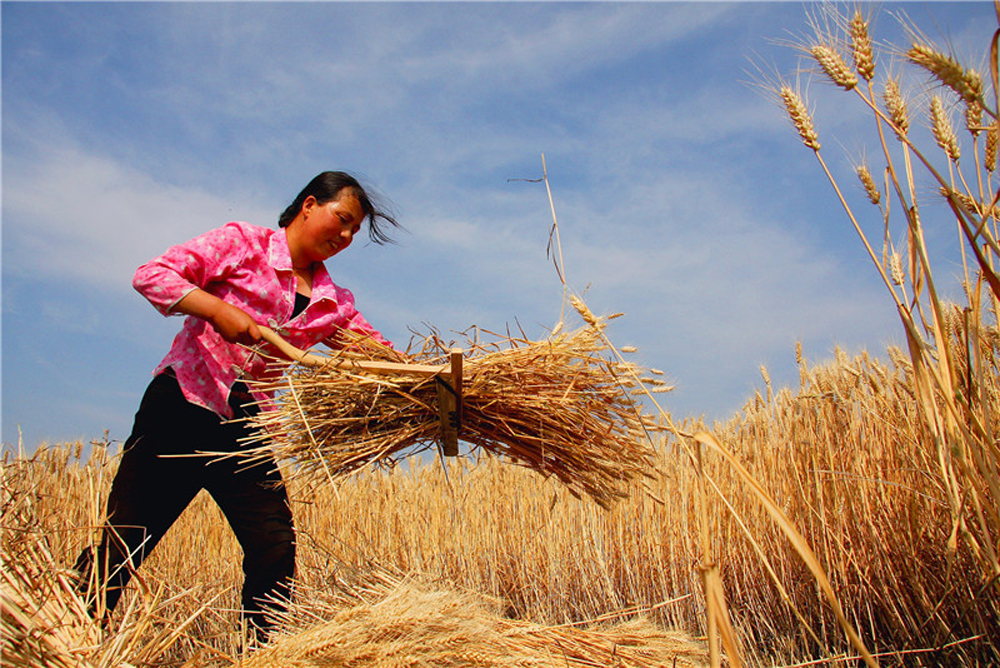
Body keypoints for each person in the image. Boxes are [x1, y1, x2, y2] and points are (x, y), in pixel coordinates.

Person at [74, 171, 401, 640]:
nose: (346, 236)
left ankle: (265, 653)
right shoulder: (243, 245)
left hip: (246, 429)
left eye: (354, 232)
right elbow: (151, 275)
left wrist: (431, 382)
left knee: (274, 549)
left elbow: (377, 354)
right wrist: (216, 310)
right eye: (342, 219)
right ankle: (63, 640)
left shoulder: (333, 302)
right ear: (309, 205)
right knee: (125, 540)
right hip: (182, 404)